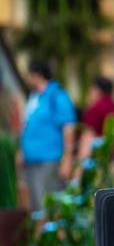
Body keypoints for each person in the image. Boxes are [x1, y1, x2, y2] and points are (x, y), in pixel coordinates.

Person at [16, 60, 77, 213]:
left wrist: (68, 158)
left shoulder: (56, 96)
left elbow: (68, 127)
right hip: (32, 160)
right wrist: (22, 151)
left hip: (49, 159)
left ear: (37, 75)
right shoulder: (35, 97)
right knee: (36, 206)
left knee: (49, 206)